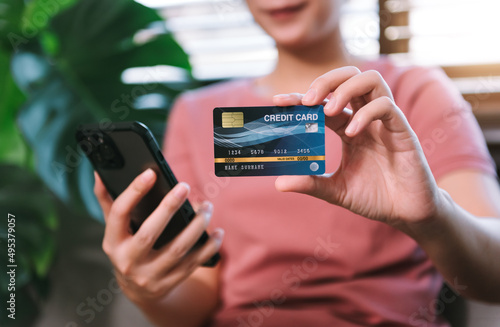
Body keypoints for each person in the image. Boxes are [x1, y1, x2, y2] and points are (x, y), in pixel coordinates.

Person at [93, 0, 500, 326]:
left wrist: (433, 216)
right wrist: (145, 288)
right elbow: (197, 299)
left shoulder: (414, 93)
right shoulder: (197, 114)